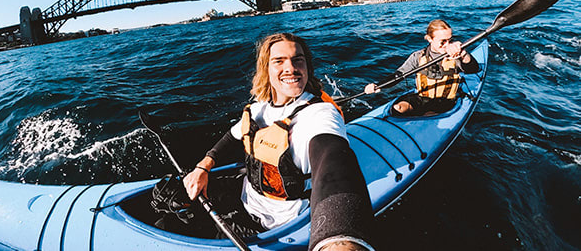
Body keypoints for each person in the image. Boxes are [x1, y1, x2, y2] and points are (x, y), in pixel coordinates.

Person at [183, 32, 375, 251]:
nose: (291, 68)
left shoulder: (319, 113)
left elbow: (333, 161)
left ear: (307, 67)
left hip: (275, 228)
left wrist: (339, 239)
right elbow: (232, 137)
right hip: (244, 203)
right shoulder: (258, 109)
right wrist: (203, 166)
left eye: (297, 60)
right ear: (266, 68)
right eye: (279, 61)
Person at [365, 19, 479, 116]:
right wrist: (378, 85)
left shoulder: (455, 54)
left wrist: (463, 54)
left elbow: (473, 69)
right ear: (430, 39)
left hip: (446, 102)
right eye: (443, 41)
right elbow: (398, 75)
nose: (447, 45)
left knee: (430, 112)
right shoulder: (418, 56)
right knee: (397, 108)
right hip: (422, 99)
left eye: (450, 40)